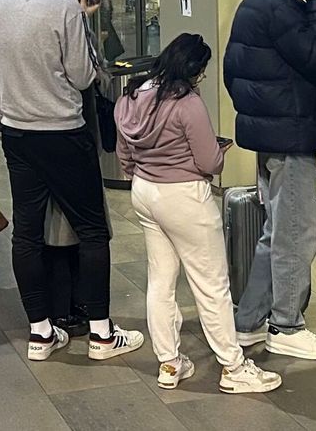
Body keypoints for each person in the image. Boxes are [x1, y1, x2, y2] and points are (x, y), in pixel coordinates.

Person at [0, 0, 145, 362]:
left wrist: (2, 120)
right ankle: (102, 336)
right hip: (64, 133)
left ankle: (39, 333)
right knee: (92, 231)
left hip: (17, 133)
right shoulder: (67, 11)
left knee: (27, 232)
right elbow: (83, 75)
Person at [116, 33, 282, 394]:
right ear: (193, 71)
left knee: (160, 281)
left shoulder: (130, 96)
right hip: (185, 197)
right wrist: (220, 152)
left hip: (144, 193)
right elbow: (208, 161)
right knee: (211, 286)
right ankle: (233, 367)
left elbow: (125, 154)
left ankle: (169, 363)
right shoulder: (186, 103)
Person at [222, 0, 316, 360]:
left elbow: (235, 74)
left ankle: (249, 321)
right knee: (296, 234)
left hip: (274, 133)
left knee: (276, 232)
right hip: (290, 135)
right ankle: (286, 325)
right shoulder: (280, 6)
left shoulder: (259, 0)